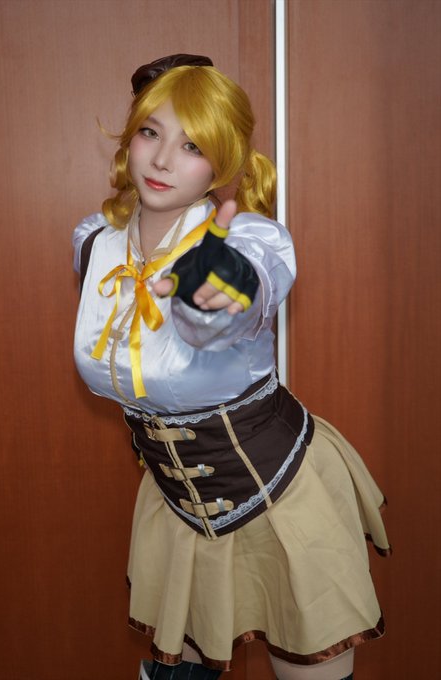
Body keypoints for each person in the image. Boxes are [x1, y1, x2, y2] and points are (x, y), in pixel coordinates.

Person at [73, 54, 391, 680]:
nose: (164, 160)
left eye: (193, 145)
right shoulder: (95, 244)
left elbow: (239, 297)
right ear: (129, 138)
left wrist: (213, 293)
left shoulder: (248, 240)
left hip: (281, 495)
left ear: (220, 162)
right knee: (180, 671)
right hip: (177, 507)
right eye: (151, 132)